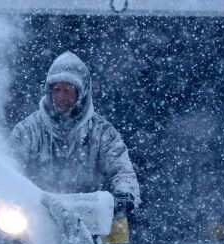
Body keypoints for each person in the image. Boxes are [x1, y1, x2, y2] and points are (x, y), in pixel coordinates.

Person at [9, 51, 140, 215]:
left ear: (82, 92)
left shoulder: (102, 132)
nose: (61, 97)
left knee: (118, 232)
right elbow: (10, 166)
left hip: (95, 218)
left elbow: (121, 170)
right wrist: (9, 194)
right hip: (37, 219)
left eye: (67, 90)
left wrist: (125, 194)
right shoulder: (27, 131)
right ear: (48, 92)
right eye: (56, 89)